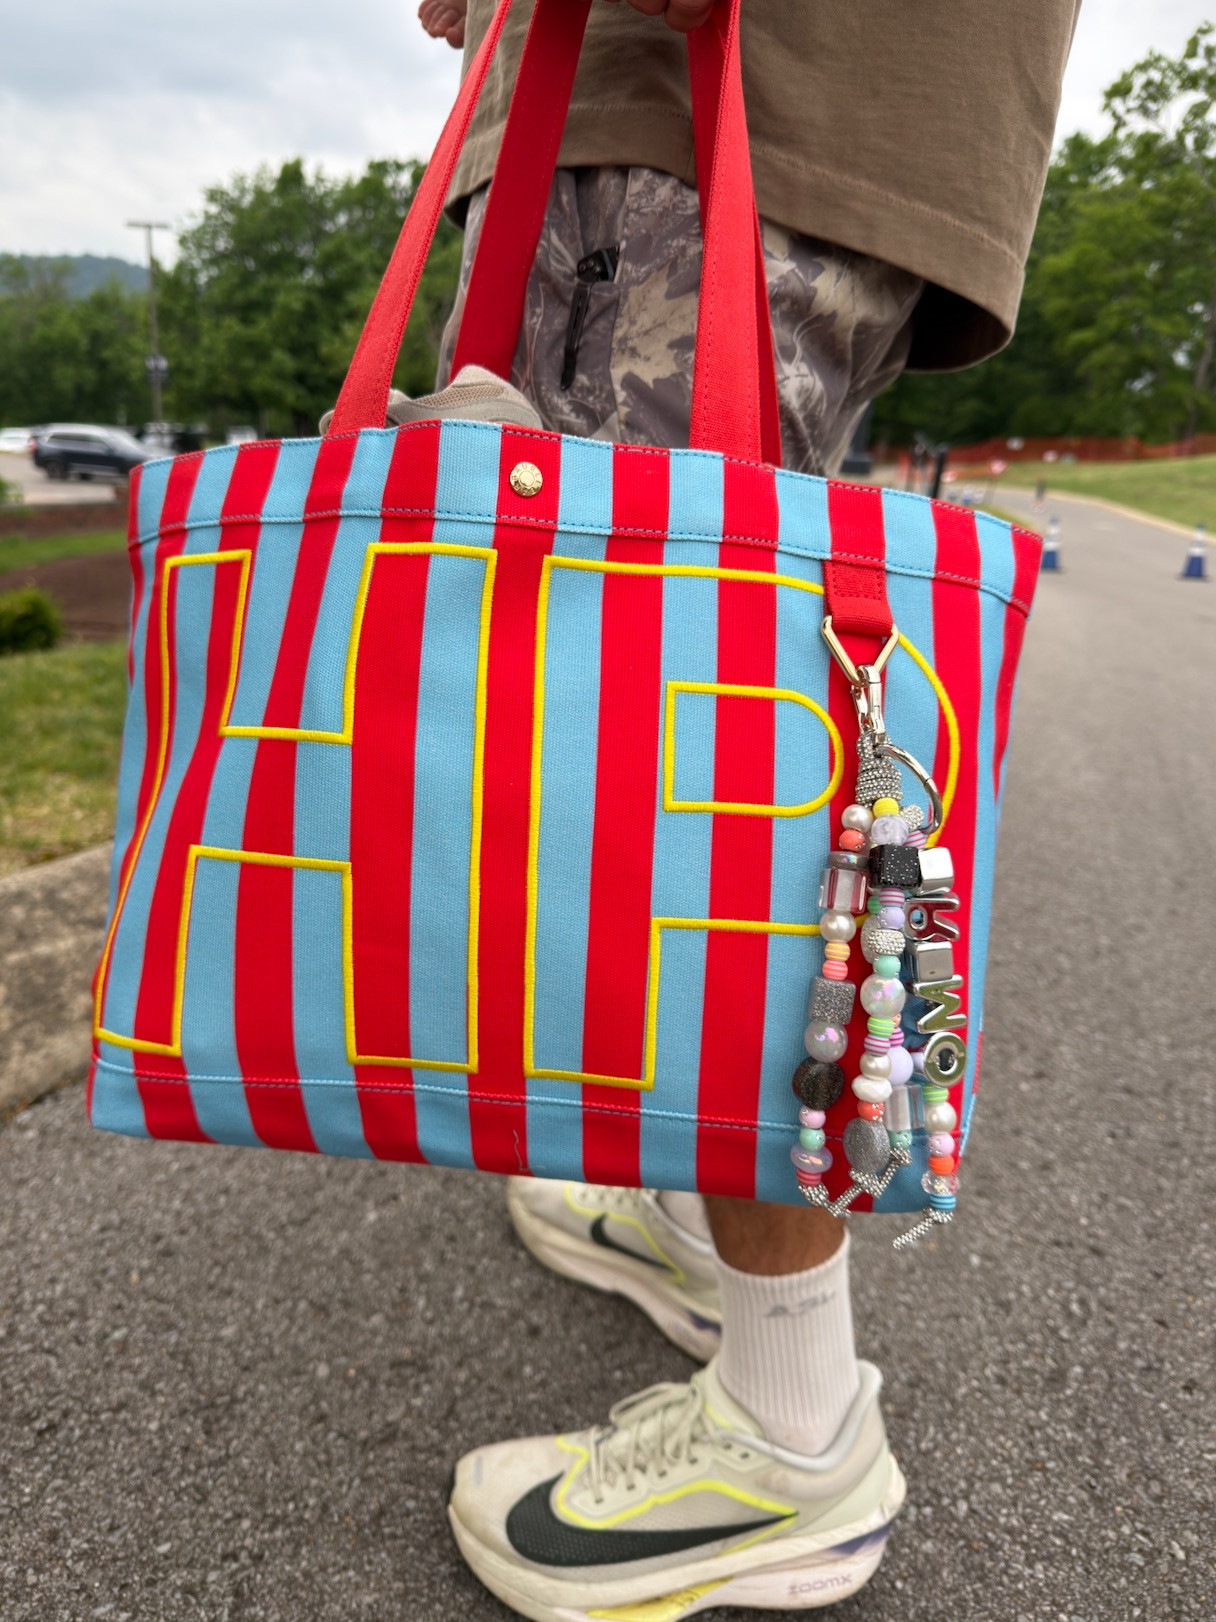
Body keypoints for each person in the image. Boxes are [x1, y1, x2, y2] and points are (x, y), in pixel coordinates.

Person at [414, 2, 1079, 1617]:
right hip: (746, 95)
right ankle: (694, 1214)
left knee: (673, 761)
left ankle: (792, 1428)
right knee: (674, 731)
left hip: (743, 96)